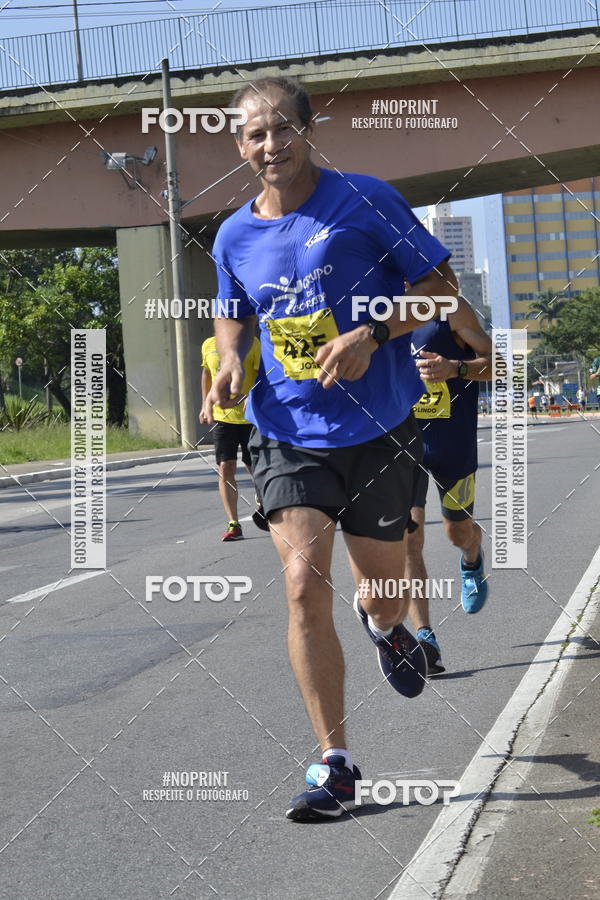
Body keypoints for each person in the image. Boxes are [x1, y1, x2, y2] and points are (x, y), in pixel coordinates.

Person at [205, 76, 459, 821]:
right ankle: (335, 765)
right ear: (240, 146)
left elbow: (440, 288)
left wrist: (372, 332)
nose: (269, 144)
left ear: (308, 131)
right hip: (286, 429)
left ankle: (384, 627)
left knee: (379, 591)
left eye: (282, 129)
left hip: (379, 425)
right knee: (299, 582)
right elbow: (233, 317)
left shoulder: (366, 199)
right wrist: (228, 362)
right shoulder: (232, 235)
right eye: (255, 134)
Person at [404, 299, 493, 674]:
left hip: (452, 443)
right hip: (401, 443)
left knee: (457, 532)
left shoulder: (450, 309)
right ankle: (425, 638)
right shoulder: (374, 309)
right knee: (409, 539)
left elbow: (498, 364)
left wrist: (455, 367)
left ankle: (472, 557)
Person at [200, 333, 261, 541]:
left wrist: (251, 396)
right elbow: (207, 374)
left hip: (250, 418)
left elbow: (263, 376)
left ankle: (262, 498)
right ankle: (233, 523)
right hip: (222, 418)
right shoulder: (209, 344)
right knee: (225, 466)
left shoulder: (252, 343)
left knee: (254, 466)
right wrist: (205, 405)